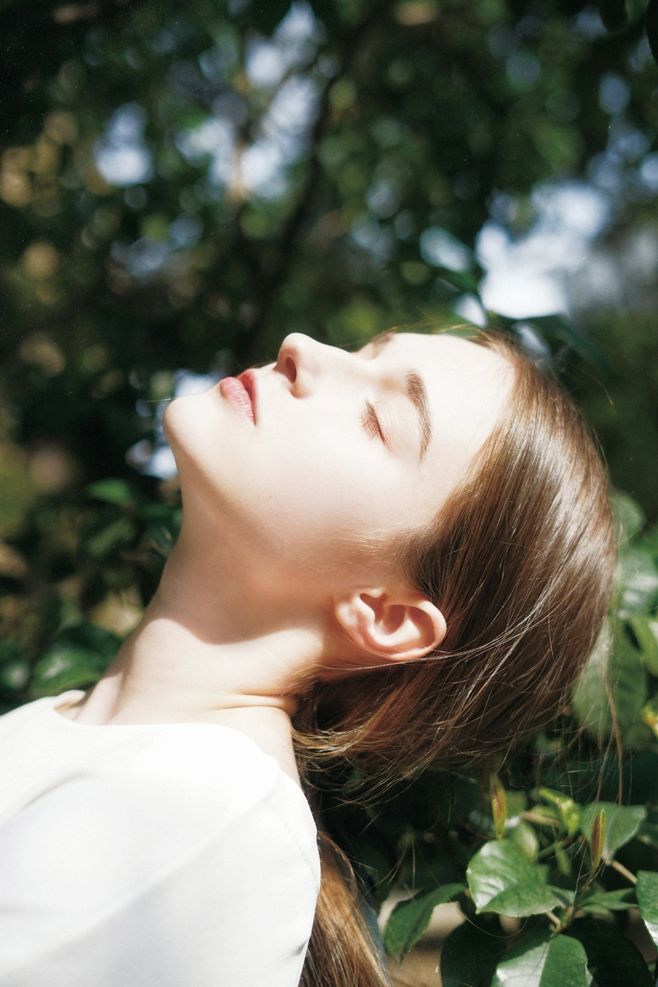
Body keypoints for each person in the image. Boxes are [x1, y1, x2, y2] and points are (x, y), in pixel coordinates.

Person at [0, 327, 615, 987]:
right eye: (365, 349)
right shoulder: (76, 733)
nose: (302, 347)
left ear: (385, 615)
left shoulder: (212, 817)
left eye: (378, 421)